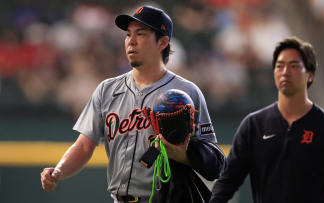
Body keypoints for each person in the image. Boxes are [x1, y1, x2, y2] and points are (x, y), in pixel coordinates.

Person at [40, 5, 225, 203]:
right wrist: (59, 171)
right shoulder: (107, 89)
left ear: (162, 42)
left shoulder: (187, 92)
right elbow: (85, 145)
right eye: (128, 34)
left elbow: (214, 160)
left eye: (141, 34)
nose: (131, 41)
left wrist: (184, 155)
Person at [209, 36, 324, 203]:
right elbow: (227, 181)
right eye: (279, 66)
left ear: (310, 75)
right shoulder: (254, 125)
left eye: (294, 66)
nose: (285, 72)